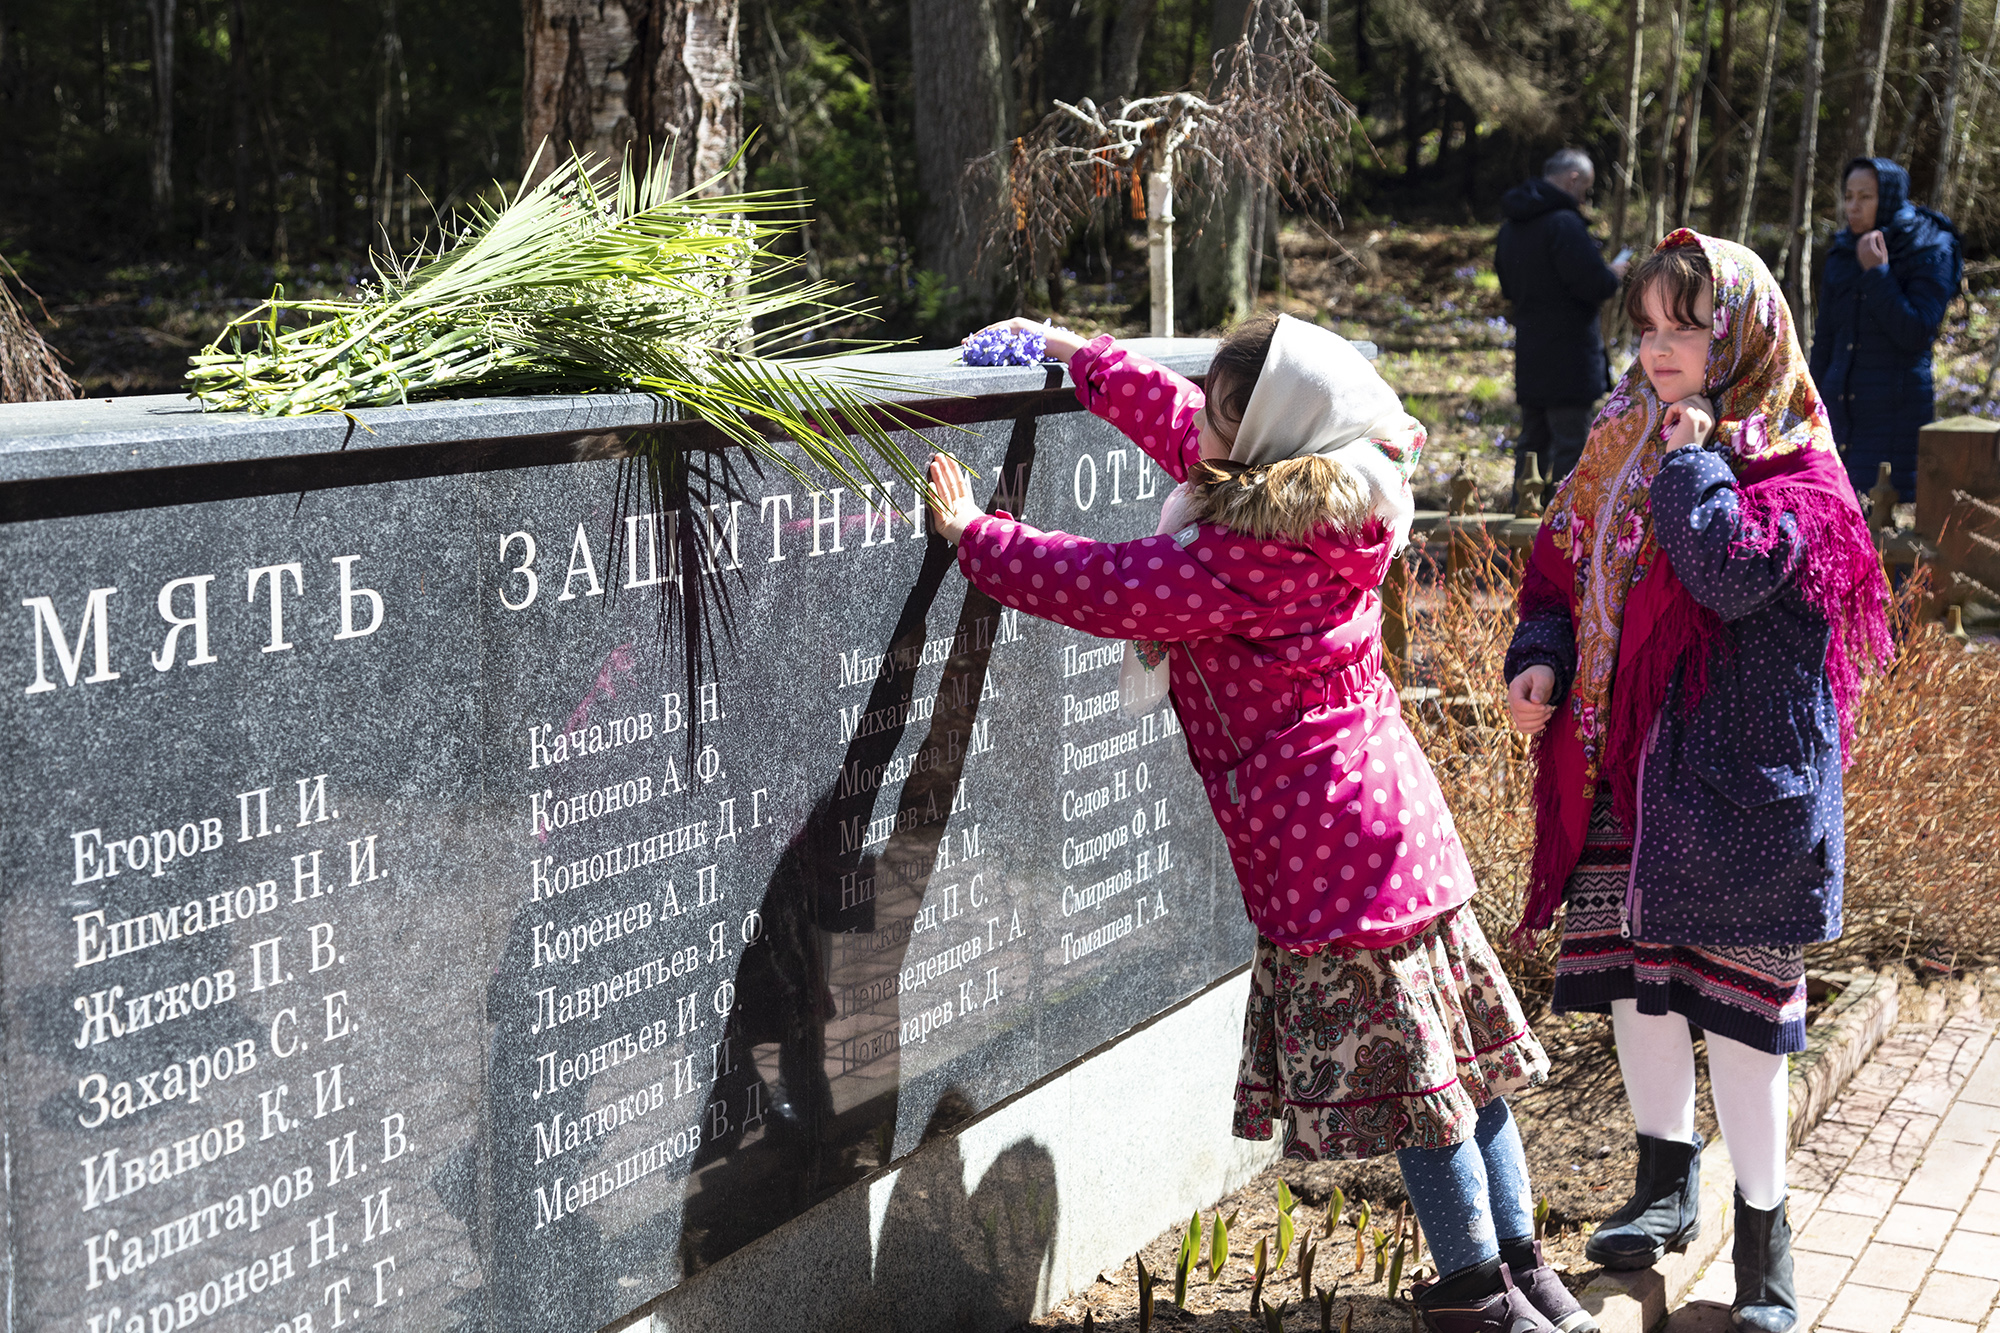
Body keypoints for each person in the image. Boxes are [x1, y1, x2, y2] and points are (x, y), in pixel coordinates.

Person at [930, 313, 1592, 1333]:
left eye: (1230, 407)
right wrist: (1069, 351)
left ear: (1273, 428)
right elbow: (1185, 421)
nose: (1207, 418)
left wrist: (978, 533)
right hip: (1394, 830)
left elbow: (1105, 586)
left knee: (1424, 1088)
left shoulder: (1245, 557)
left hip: (1326, 849)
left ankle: (1477, 1298)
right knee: (1462, 1067)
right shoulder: (1332, 494)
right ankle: (1526, 1274)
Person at [1504, 231, 1892, 1333]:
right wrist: (1538, 655)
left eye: (1686, 326)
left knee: (1742, 1021)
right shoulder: (1614, 436)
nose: (1659, 348)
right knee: (1639, 990)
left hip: (1737, 795)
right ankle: (1662, 1185)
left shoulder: (1799, 468)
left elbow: (1722, 570)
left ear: (1741, 335)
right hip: (1624, 772)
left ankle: (1764, 1245)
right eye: (1645, 326)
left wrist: (1689, 457)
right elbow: (1555, 567)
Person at [1810, 157, 1963, 501]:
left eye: (1865, 197)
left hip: (1894, 412)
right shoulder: (1842, 251)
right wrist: (1810, 401)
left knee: (1884, 529)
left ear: (1889, 197)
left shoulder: (1930, 247)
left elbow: (1917, 331)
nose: (1853, 207)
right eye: (1848, 196)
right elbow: (1826, 340)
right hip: (1839, 412)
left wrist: (1878, 274)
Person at [1496, 148, 1632, 493]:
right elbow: (1593, 284)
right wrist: (1612, 274)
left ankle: (1521, 525)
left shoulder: (1512, 227)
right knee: (1571, 443)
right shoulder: (1564, 224)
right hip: (1569, 355)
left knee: (1532, 443)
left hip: (1530, 348)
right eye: (1585, 187)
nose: (1585, 196)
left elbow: (1508, 287)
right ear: (1573, 179)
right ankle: (1563, 529)